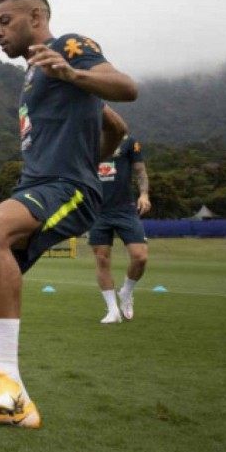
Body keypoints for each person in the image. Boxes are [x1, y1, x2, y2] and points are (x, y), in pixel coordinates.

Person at [0, 0, 136, 428]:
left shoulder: (69, 47)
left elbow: (127, 88)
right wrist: (95, 152)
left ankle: (5, 376)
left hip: (65, 186)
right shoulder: (33, 73)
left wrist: (74, 75)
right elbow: (116, 124)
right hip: (37, 186)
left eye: (3, 21)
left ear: (35, 16)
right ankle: (19, 407)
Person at [90, 134, 150, 323]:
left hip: (125, 209)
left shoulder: (128, 141)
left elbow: (140, 171)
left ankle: (126, 292)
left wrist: (144, 194)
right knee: (102, 258)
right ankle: (112, 309)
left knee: (140, 257)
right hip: (97, 210)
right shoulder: (82, 139)